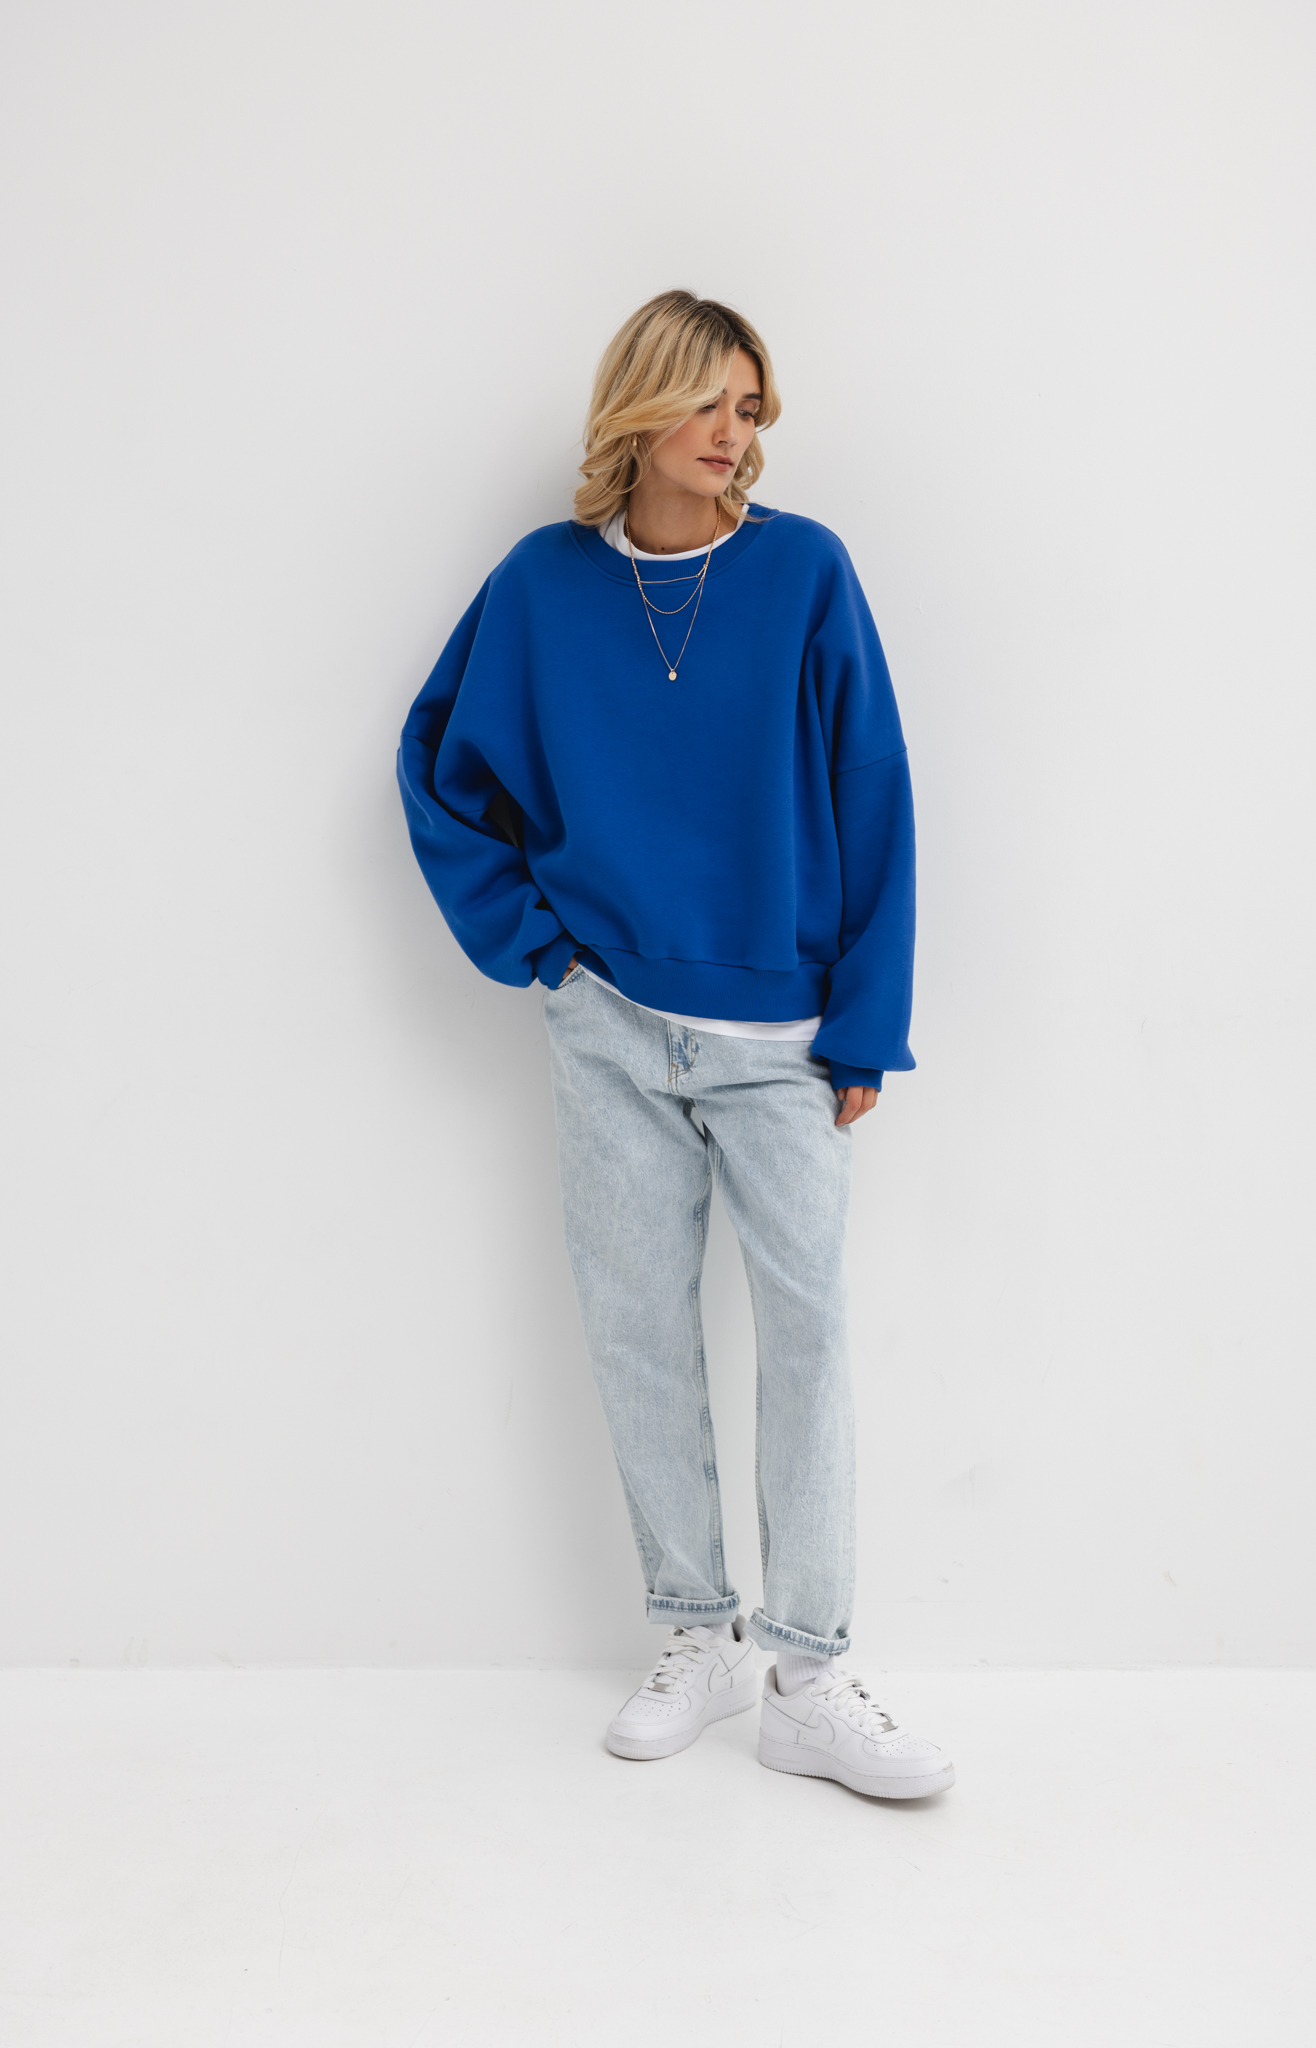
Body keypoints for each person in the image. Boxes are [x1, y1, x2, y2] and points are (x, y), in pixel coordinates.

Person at [398, 290, 954, 1800]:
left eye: (751, 407)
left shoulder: (804, 572)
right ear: (638, 407)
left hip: (783, 1037)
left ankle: (809, 1675)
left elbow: (875, 792)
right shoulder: (541, 585)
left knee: (807, 1340)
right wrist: (544, 956)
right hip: (609, 1026)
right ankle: (695, 1634)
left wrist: (866, 1022)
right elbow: (438, 766)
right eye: (708, 400)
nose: (734, 432)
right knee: (637, 1330)